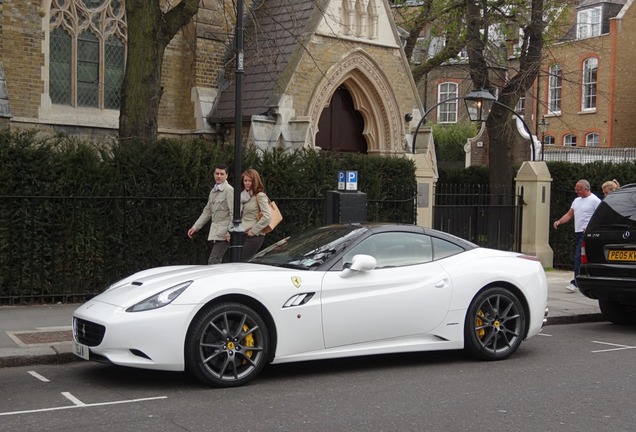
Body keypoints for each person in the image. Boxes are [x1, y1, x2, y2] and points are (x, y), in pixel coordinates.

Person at [553, 179, 601, 293]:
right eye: (576, 189)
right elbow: (570, 214)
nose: (576, 191)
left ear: (586, 189)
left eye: (578, 189)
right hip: (578, 232)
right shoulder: (576, 201)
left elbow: (599, 216)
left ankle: (575, 282)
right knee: (587, 258)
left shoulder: (595, 200)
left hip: (587, 233)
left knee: (579, 256)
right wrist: (559, 221)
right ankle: (588, 280)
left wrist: (590, 228)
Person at [187, 163, 234, 265]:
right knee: (219, 261)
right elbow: (207, 211)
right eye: (217, 173)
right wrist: (195, 227)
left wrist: (230, 232)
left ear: (226, 175)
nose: (219, 176)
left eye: (222, 174)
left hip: (224, 234)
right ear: (213, 174)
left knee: (214, 261)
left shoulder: (229, 191)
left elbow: (234, 213)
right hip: (216, 233)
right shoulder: (213, 191)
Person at [239, 168, 271, 261]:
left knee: (241, 262)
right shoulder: (244, 196)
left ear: (255, 181)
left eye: (250, 181)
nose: (247, 183)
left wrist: (253, 231)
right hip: (243, 234)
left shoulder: (260, 196)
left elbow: (267, 217)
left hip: (254, 236)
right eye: (245, 180)